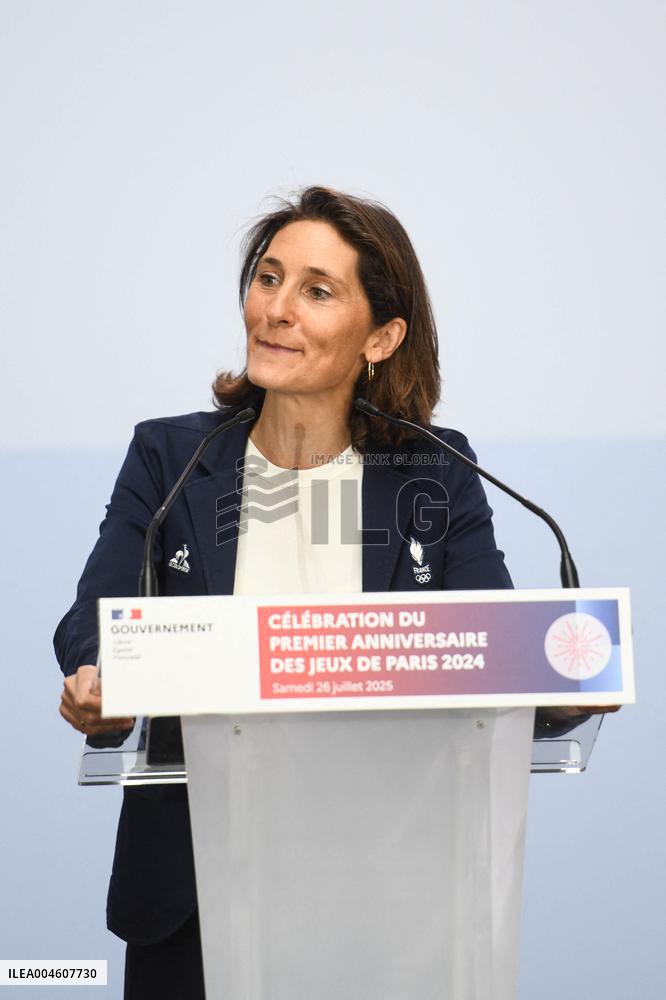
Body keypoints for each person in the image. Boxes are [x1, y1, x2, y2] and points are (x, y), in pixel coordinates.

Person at [54, 186, 610, 998]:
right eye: (268, 278)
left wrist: (563, 693)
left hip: (387, 895)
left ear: (381, 337)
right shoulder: (170, 457)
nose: (276, 309)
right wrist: (102, 682)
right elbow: (95, 619)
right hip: (195, 898)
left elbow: (490, 647)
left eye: (317, 291)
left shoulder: (432, 470)